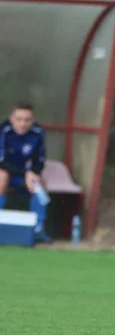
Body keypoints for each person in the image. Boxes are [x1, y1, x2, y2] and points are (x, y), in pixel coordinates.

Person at [0, 103, 52, 243]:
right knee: (1, 177)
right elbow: (1, 161)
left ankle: (38, 229)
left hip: (23, 176)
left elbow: (39, 160)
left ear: (32, 120)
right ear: (11, 118)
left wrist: (33, 173)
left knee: (38, 184)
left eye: (27, 119)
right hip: (7, 173)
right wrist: (26, 172)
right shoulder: (4, 130)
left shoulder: (38, 132)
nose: (22, 123)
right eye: (19, 119)